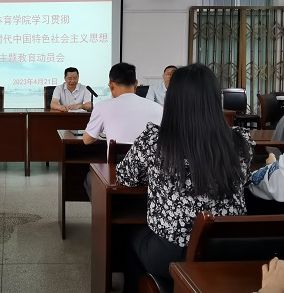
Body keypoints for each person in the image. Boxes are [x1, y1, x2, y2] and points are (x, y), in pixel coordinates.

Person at [116, 63, 253, 292]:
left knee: (128, 236)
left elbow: (126, 176)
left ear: (173, 100)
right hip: (228, 250)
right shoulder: (240, 141)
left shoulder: (155, 140)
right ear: (214, 99)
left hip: (172, 253)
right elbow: (244, 179)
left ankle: (157, 286)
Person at [82, 62, 163, 198]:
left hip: (119, 175)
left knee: (90, 179)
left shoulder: (102, 106)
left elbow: (87, 140)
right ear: (136, 84)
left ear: (111, 85)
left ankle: (105, 209)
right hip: (154, 175)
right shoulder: (158, 108)